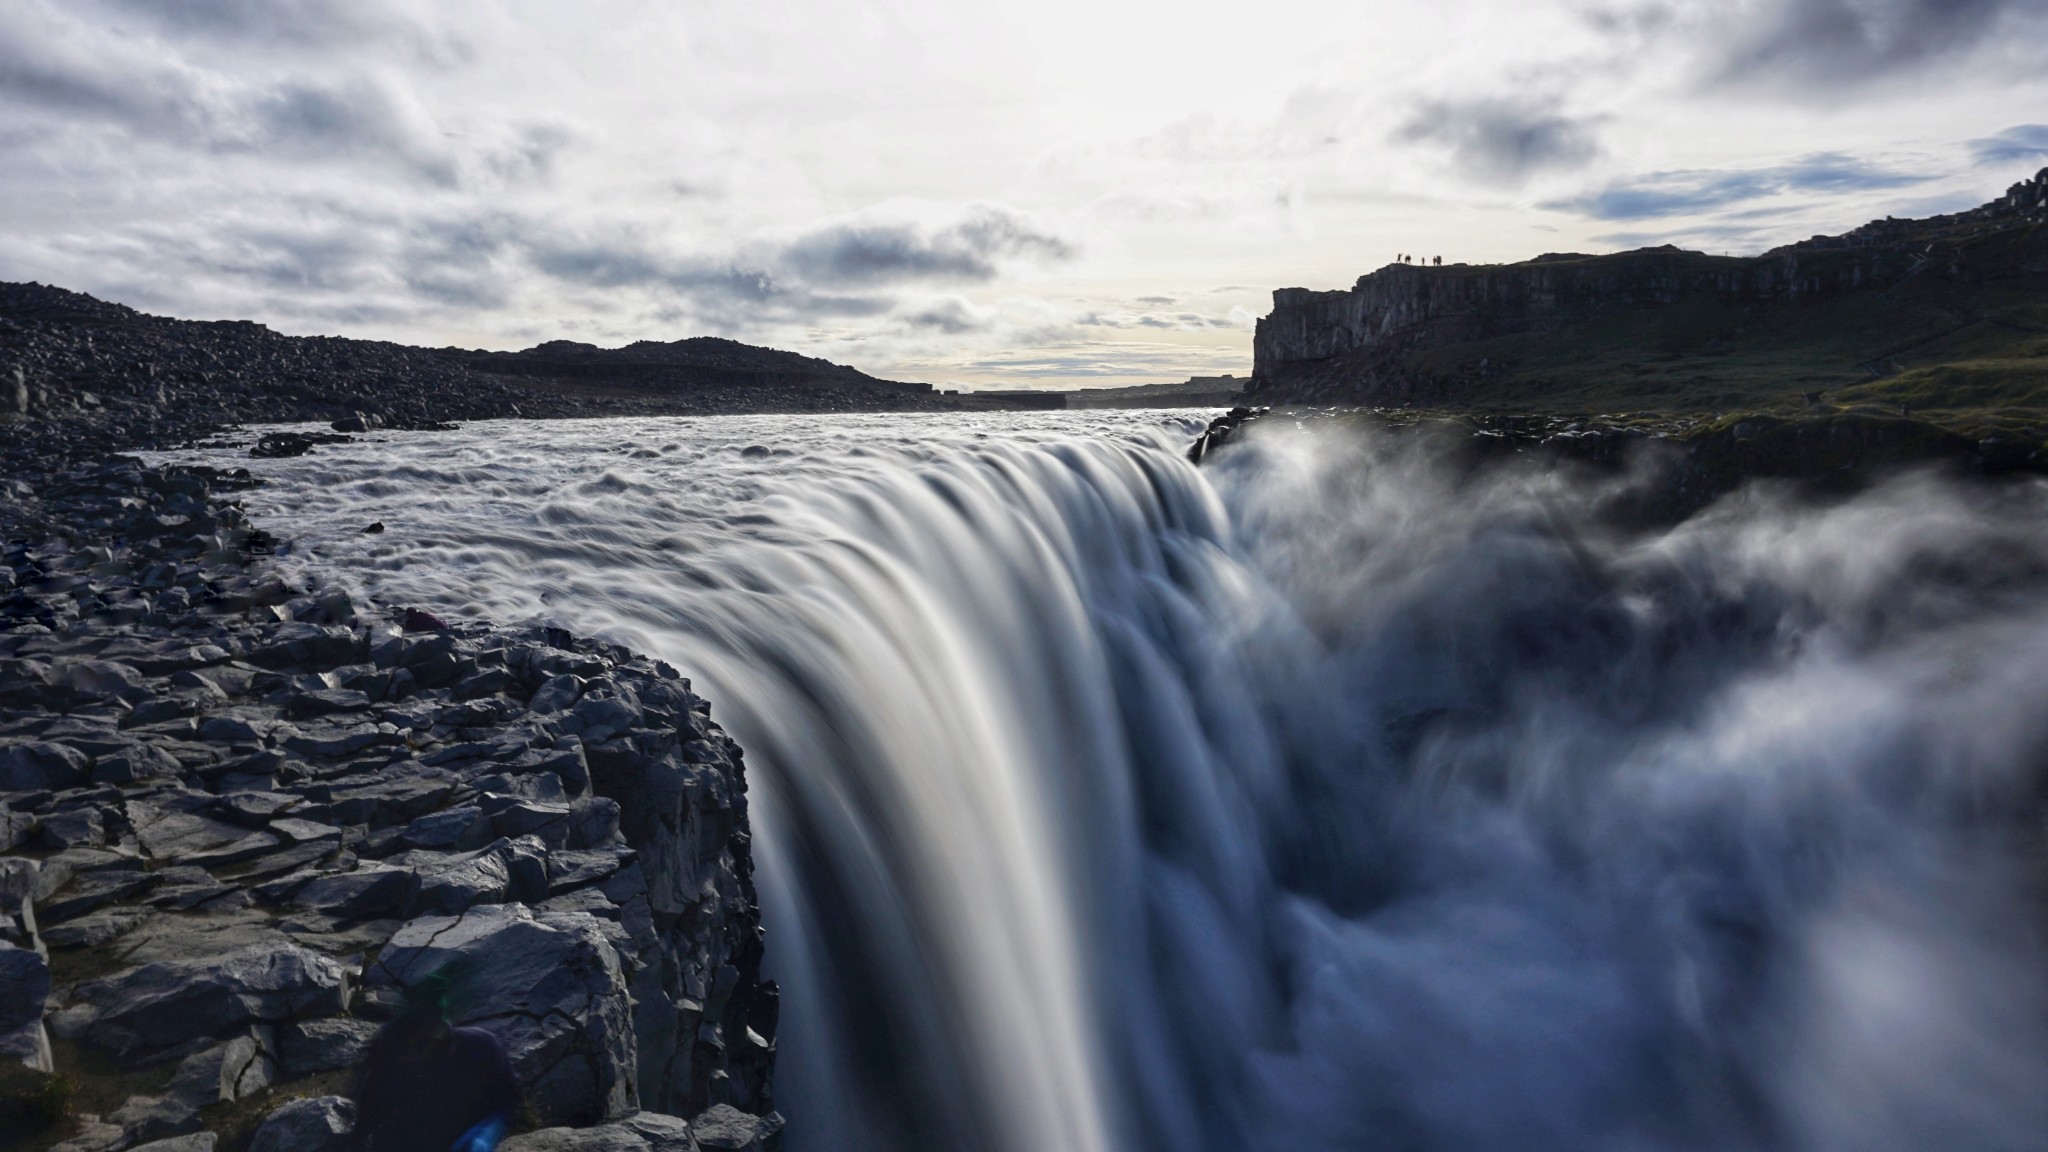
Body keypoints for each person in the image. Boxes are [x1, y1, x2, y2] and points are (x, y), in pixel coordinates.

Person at [345, 969, 522, 1152]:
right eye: (408, 1043)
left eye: (421, 1044)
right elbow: (367, 1111)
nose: (412, 1054)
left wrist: (483, 1135)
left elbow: (508, 1101)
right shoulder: (388, 1052)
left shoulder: (480, 1047)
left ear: (439, 1031)